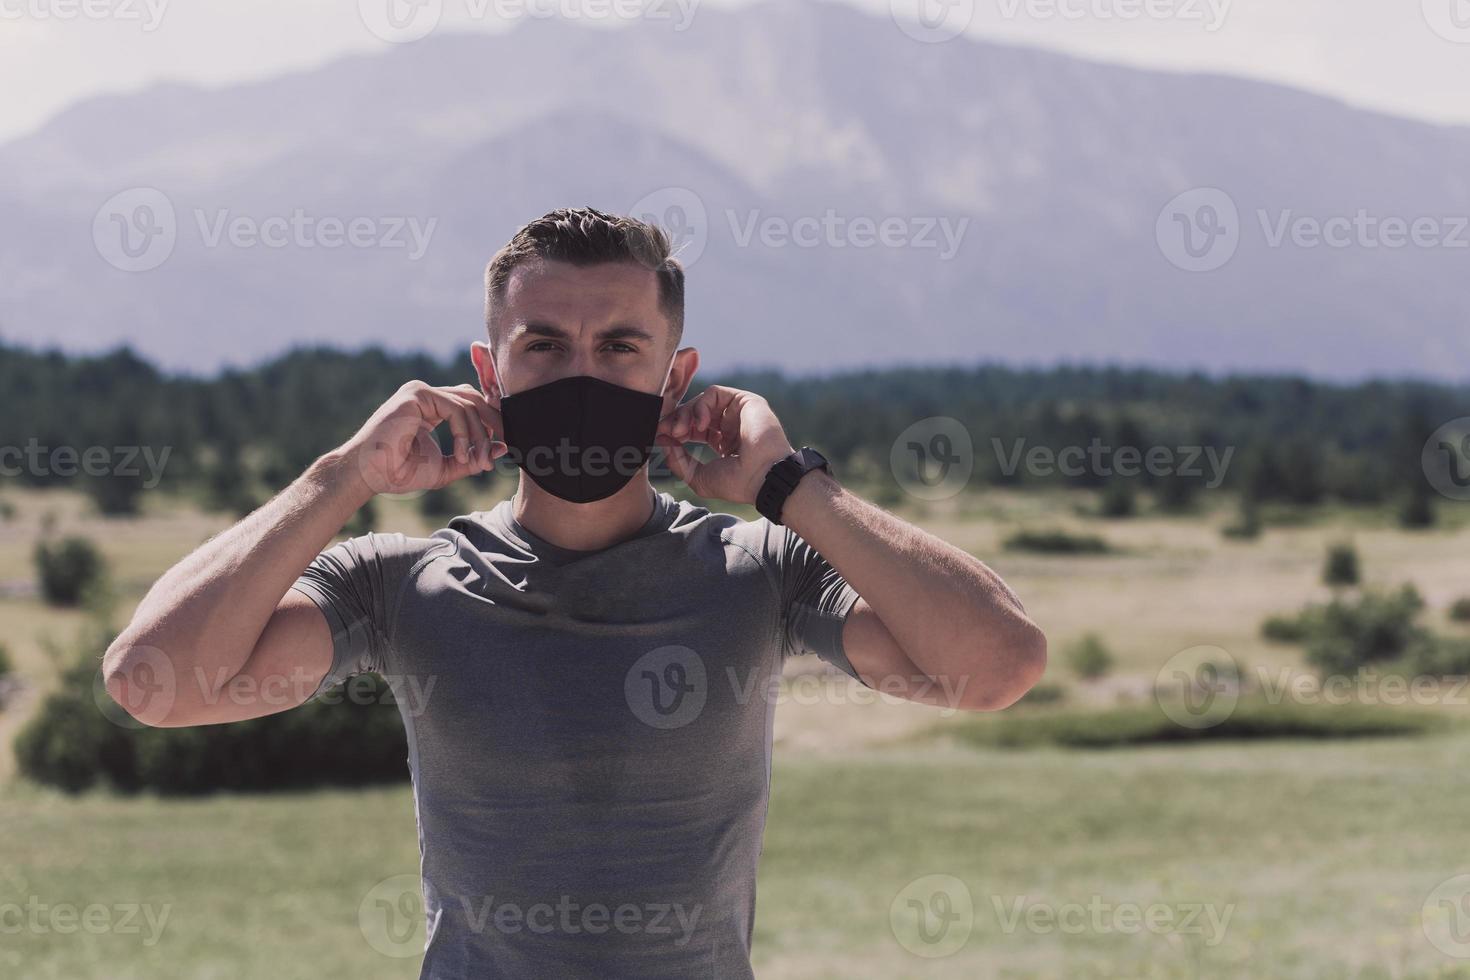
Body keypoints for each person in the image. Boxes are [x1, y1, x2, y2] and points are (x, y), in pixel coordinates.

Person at [103, 207, 1046, 978]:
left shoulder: (761, 571)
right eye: (544, 346)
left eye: (621, 346)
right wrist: (341, 478)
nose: (582, 374)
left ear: (677, 378)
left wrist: (792, 487)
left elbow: (997, 666)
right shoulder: (396, 586)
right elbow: (157, 684)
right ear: (489, 374)